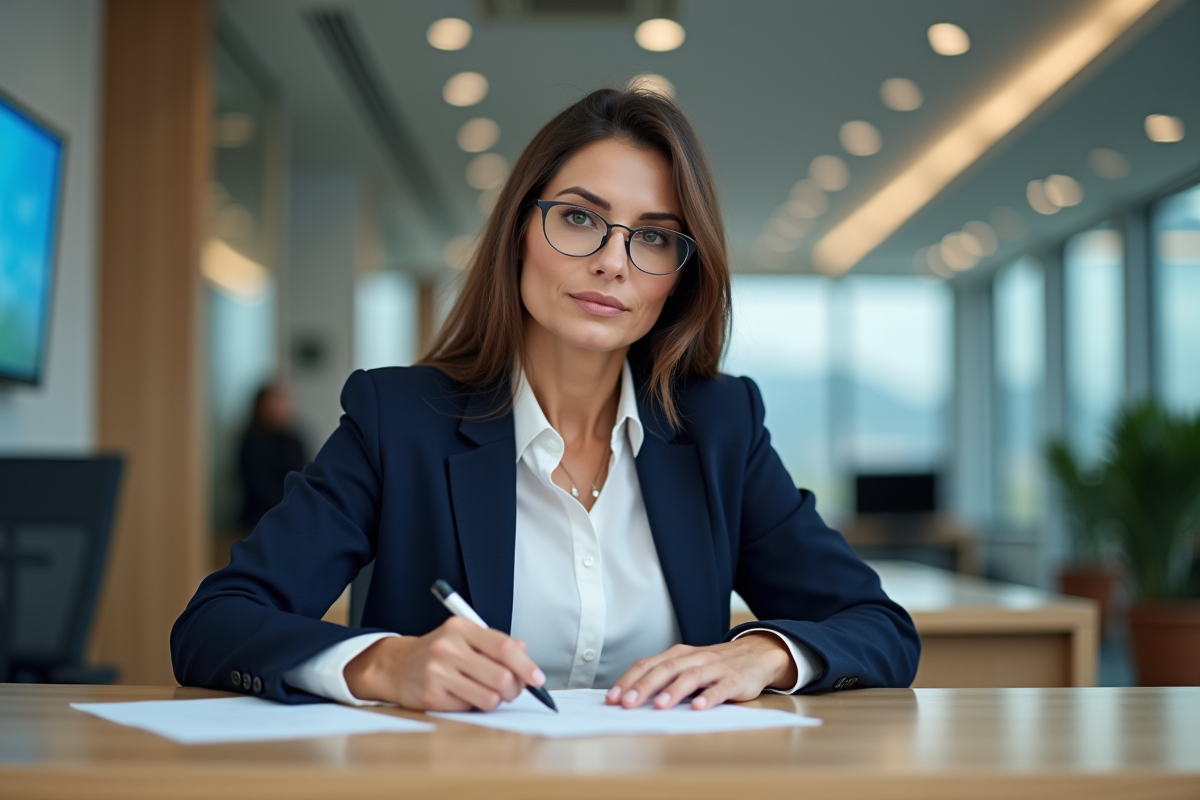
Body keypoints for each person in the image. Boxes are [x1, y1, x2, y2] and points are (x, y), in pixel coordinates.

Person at [172, 86, 919, 712]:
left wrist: (763, 655)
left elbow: (878, 626)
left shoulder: (721, 429)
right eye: (579, 219)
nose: (611, 264)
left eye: (654, 238)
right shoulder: (397, 421)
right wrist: (382, 665)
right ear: (520, 232)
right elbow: (215, 626)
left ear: (680, 276)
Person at [237, 382, 308, 533]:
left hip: (294, 515)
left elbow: (306, 474)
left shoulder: (294, 440)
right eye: (275, 402)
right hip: (259, 520)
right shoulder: (252, 442)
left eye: (283, 402)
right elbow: (259, 487)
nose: (281, 408)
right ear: (261, 406)